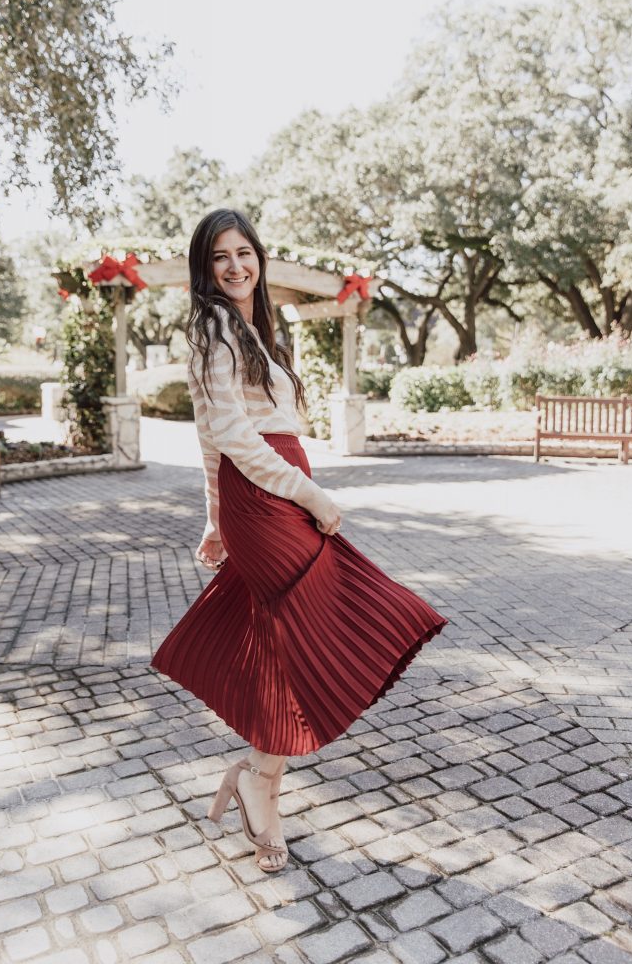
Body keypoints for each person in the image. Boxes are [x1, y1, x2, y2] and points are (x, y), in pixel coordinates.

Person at [151, 208, 449, 873]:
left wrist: (210, 517)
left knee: (278, 639)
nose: (234, 266)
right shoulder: (210, 327)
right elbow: (226, 437)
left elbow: (214, 437)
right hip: (268, 496)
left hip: (270, 488)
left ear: (259, 257)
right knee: (334, 611)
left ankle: (260, 781)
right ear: (204, 269)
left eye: (243, 253)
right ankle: (261, 782)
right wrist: (303, 496)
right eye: (218, 257)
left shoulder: (255, 330)